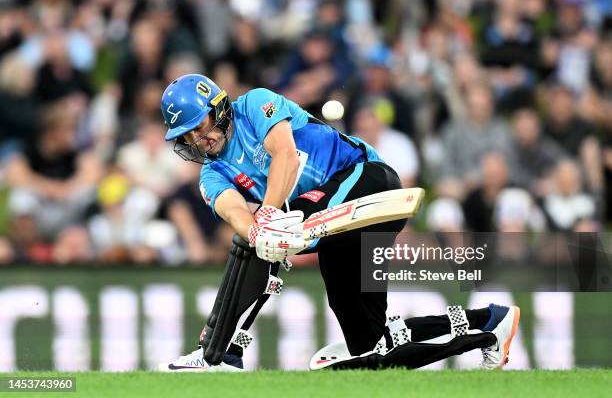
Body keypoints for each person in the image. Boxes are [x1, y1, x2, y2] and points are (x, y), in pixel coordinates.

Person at [157, 74, 520, 371]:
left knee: (276, 226)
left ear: (217, 108)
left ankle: (218, 354)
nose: (197, 140)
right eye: (186, 136)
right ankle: (489, 324)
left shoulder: (254, 104)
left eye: (198, 126)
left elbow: (285, 154)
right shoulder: (211, 174)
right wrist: (256, 228)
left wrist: (266, 216)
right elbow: (233, 211)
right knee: (372, 350)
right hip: (336, 230)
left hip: (368, 182)